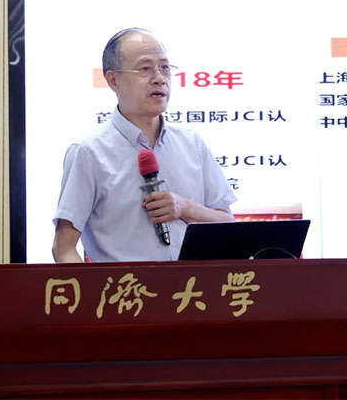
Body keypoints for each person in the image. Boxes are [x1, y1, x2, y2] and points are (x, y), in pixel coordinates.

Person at [52, 28, 236, 262]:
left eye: (165, 67)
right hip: (126, 285)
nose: (159, 78)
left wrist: (185, 207)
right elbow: (63, 248)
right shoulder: (88, 152)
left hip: (193, 285)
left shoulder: (192, 144)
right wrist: (89, 286)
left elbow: (227, 224)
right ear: (113, 80)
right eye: (145, 68)